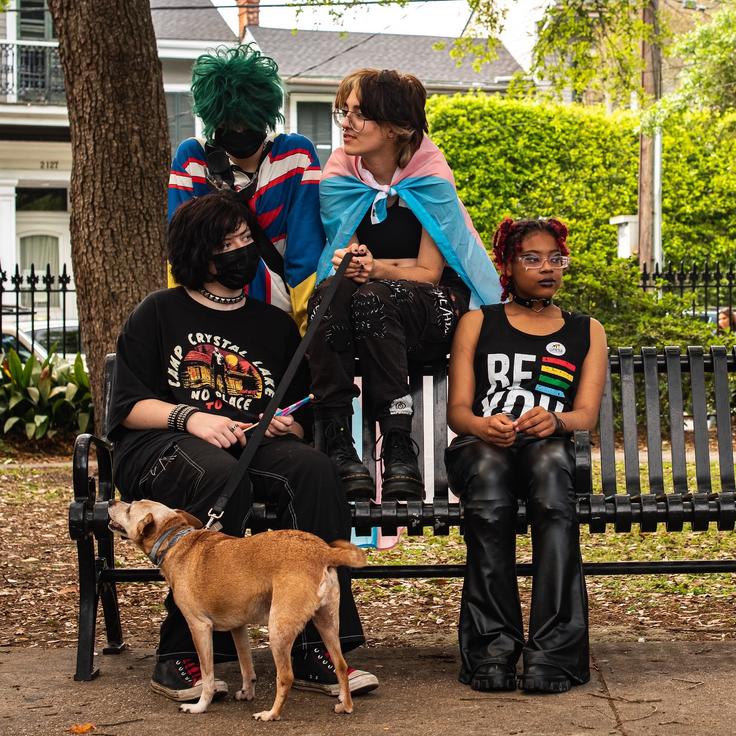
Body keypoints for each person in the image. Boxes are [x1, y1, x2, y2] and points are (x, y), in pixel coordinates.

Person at [107, 191, 378, 703]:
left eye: (245, 239)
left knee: (314, 469)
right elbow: (126, 407)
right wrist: (193, 417)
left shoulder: (273, 325)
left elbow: (296, 414)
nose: (241, 250)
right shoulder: (158, 313)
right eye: (227, 243)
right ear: (198, 253)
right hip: (160, 444)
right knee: (220, 479)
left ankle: (313, 645)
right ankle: (179, 652)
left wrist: (282, 427)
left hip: (247, 444)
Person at [307, 68, 501, 501]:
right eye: (346, 112)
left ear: (398, 126)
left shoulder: (430, 175)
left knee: (374, 295)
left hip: (431, 315)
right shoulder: (340, 174)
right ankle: (337, 442)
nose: (347, 123)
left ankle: (398, 445)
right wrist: (367, 266)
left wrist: (376, 270)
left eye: (362, 114)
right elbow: (349, 257)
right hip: (368, 317)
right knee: (329, 294)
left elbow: (429, 274)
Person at [445, 217, 607, 694]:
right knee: (491, 484)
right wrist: (481, 424)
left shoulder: (585, 330)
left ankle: (555, 653)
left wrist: (556, 422)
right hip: (482, 447)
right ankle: (490, 649)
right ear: (507, 266)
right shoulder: (479, 322)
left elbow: (585, 414)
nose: (547, 268)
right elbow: (458, 412)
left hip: (546, 449)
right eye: (532, 259)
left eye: (556, 258)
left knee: (552, 474)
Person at [168, 44, 324, 334]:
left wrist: (307, 331)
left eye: (247, 121)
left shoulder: (295, 155)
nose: (239, 130)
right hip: (210, 319)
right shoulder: (192, 158)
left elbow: (306, 247)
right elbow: (181, 251)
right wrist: (184, 325)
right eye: (229, 123)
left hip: (281, 320)